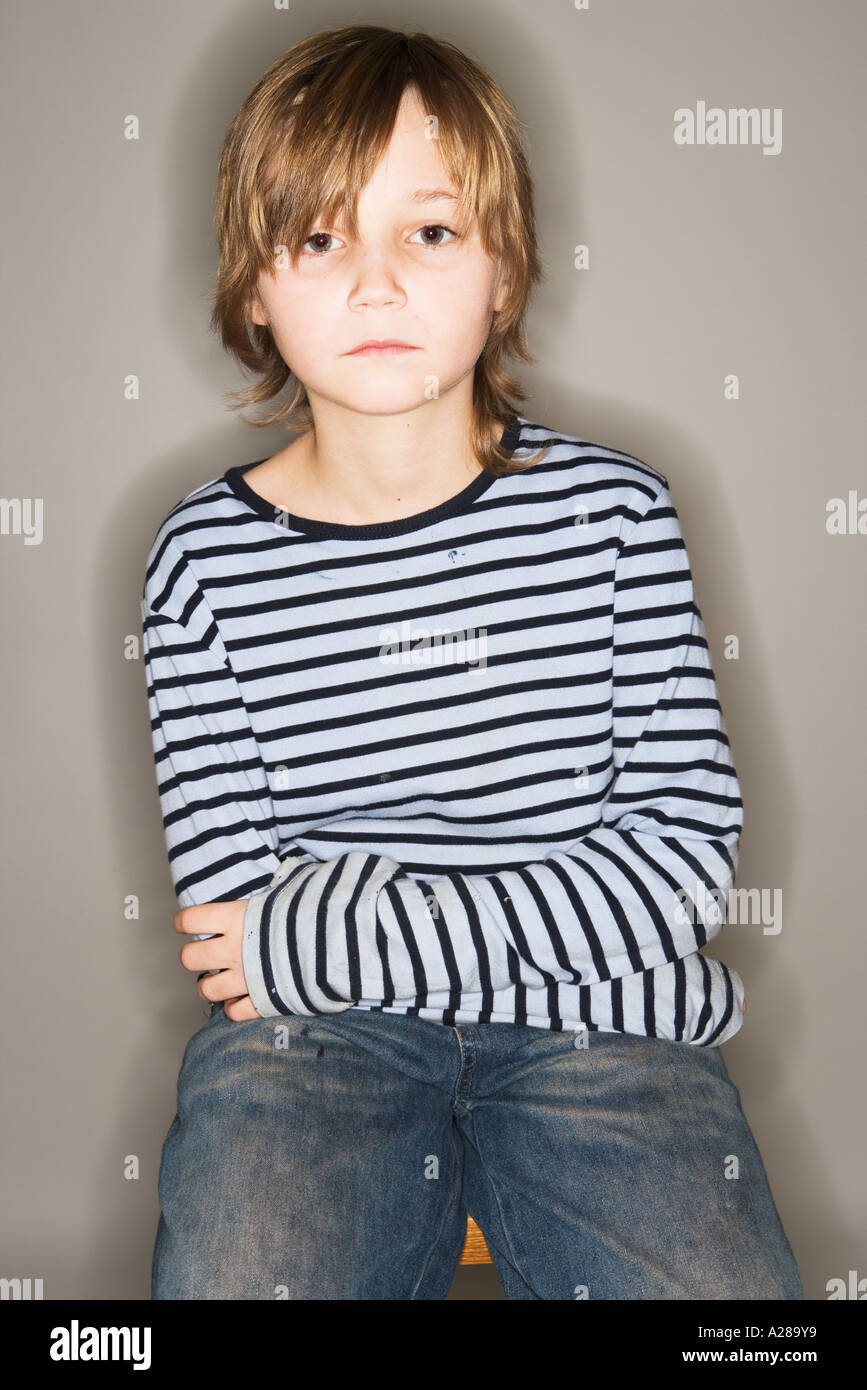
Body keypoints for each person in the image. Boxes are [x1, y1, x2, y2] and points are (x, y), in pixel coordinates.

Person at [141, 23, 803, 1300]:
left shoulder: (615, 517)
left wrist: (330, 926)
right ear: (254, 286)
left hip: (607, 1031)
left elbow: (673, 876)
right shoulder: (200, 561)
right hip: (313, 1047)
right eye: (322, 239)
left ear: (504, 272)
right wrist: (318, 948)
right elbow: (238, 943)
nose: (376, 282)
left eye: (430, 233)